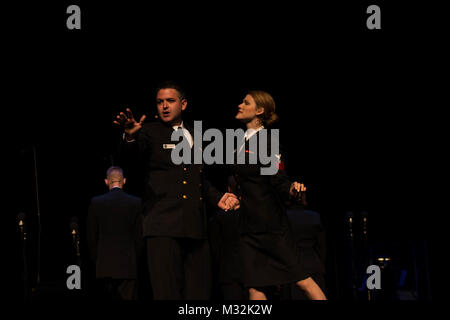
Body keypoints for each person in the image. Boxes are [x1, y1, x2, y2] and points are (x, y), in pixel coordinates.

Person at [114, 81, 239, 299]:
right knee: (167, 292)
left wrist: (219, 197)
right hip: (162, 225)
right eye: (160, 102)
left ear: (183, 104)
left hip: (195, 226)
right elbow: (130, 161)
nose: (164, 106)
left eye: (170, 101)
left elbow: (197, 178)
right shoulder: (147, 132)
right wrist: (130, 137)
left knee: (199, 294)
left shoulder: (195, 134)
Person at [231, 90, 327, 300]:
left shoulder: (267, 142)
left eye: (245, 102)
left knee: (302, 280)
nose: (240, 105)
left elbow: (278, 179)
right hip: (248, 227)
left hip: (270, 227)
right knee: (255, 286)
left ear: (259, 110)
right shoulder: (240, 141)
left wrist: (292, 189)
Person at [87, 166, 143, 300]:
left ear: (107, 182)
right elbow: (139, 236)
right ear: (124, 181)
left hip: (104, 266)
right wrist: (136, 260)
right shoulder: (136, 202)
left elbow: (91, 238)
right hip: (128, 265)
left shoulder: (96, 202)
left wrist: (97, 261)